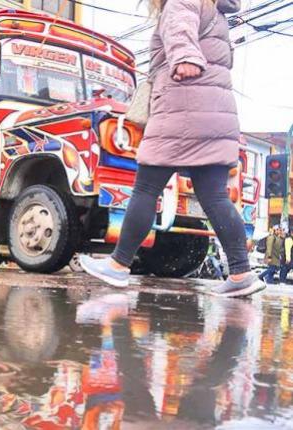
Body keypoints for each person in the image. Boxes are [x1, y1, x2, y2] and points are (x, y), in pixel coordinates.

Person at [79, 0, 265, 298]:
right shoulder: (214, 9)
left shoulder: (181, 1)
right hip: (216, 115)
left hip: (181, 109)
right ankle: (242, 272)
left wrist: (184, 57)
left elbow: (180, 29)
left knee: (146, 188)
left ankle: (118, 265)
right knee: (215, 196)